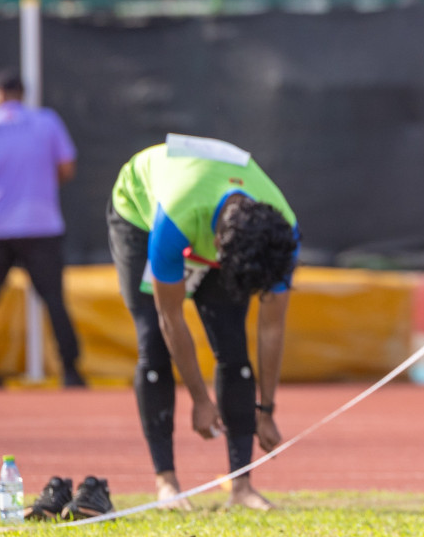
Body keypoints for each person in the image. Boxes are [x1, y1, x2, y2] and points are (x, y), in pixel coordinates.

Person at [107, 134, 299, 510]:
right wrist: (199, 399)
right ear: (217, 251)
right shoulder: (174, 221)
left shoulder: (283, 231)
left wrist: (267, 410)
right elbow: (170, 315)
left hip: (216, 215)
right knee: (153, 346)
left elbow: (272, 325)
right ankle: (167, 483)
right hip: (140, 212)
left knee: (232, 344)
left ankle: (241, 487)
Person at [0, 68, 83, 391]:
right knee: (54, 299)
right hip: (42, 224)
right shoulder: (48, 122)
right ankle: (71, 372)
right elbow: (67, 167)